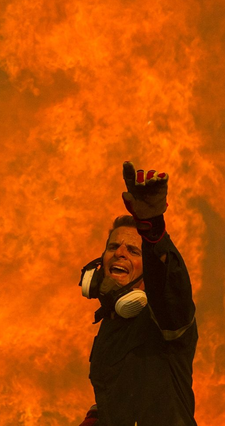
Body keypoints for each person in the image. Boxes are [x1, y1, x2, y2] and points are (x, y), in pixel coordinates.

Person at [77, 162, 198, 426]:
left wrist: (152, 229)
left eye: (133, 250)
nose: (120, 252)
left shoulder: (166, 320)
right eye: (113, 247)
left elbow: (169, 284)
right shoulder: (110, 327)